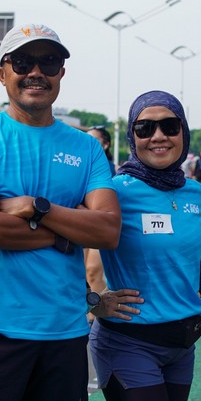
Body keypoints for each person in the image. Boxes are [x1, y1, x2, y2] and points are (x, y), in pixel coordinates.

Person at [0, 24, 142, 401]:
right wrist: (68, 232)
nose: (36, 72)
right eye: (22, 62)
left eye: (48, 62)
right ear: (2, 73)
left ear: (61, 73)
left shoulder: (85, 147)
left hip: (63, 330)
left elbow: (107, 230)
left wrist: (36, 207)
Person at [89, 90, 201, 401]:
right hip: (129, 343)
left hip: (183, 346)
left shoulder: (196, 193)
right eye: (145, 128)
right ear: (132, 137)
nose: (158, 136)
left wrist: (199, 289)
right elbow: (64, 244)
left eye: (169, 126)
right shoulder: (113, 192)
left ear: (183, 132)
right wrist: (93, 301)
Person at [85, 126, 116, 295]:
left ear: (106, 144)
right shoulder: (79, 165)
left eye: (94, 140)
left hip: (98, 225)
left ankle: (100, 308)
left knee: (92, 272)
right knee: (82, 275)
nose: (88, 143)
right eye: (86, 138)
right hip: (80, 223)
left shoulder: (110, 169)